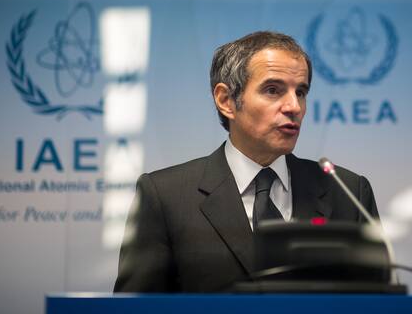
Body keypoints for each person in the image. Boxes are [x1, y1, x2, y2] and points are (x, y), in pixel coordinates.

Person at [114, 31, 379, 292]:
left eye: (300, 92)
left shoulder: (349, 192)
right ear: (226, 100)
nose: (294, 107)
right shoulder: (166, 197)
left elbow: (378, 303)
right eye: (273, 90)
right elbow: (135, 309)